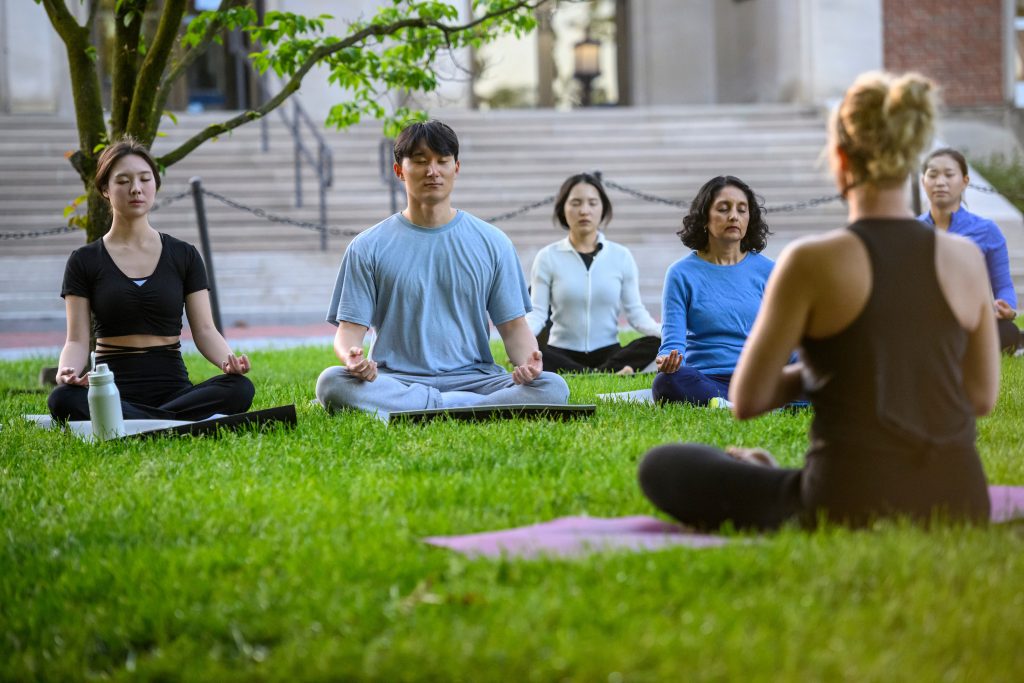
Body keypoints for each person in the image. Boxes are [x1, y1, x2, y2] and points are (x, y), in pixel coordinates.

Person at [638, 71, 999, 529]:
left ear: (840, 158)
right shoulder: (967, 259)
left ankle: (771, 476)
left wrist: (825, 370)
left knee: (662, 466)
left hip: (846, 499)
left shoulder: (811, 260)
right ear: (912, 159)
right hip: (959, 500)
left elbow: (749, 399)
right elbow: (982, 397)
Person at [315, 120, 569, 417]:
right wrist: (352, 358)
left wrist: (530, 365)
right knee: (332, 382)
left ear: (456, 168)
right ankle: (467, 410)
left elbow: (513, 328)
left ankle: (422, 410)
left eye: (442, 161)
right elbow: (349, 332)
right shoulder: (367, 246)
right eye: (420, 161)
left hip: (476, 380)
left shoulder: (493, 242)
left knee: (553, 386)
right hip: (398, 380)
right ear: (399, 171)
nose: (432, 171)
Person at [48, 137, 254, 422]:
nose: (136, 188)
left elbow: (205, 329)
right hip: (111, 388)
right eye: (123, 181)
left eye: (145, 179)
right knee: (62, 398)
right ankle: (169, 421)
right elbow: (77, 340)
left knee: (240, 389)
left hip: (175, 389)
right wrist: (66, 371)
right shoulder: (84, 260)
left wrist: (227, 361)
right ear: (105, 190)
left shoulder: (185, 255)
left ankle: (135, 420)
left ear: (155, 185)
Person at [651, 175, 775, 405]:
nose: (734, 216)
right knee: (666, 382)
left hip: (759, 377)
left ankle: (734, 403)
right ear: (704, 218)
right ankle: (732, 403)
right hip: (707, 379)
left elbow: (785, 335)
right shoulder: (680, 273)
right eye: (723, 209)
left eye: (742, 209)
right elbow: (673, 342)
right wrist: (668, 360)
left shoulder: (769, 271)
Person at [526, 173, 661, 375]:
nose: (584, 211)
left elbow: (637, 314)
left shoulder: (621, 256)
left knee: (656, 343)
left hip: (609, 352)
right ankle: (608, 373)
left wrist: (667, 335)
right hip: (560, 352)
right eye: (576, 203)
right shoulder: (547, 257)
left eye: (592, 203)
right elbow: (537, 313)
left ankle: (594, 371)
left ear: (603, 208)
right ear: (563, 208)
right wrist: (522, 340)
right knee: (532, 351)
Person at [919, 147, 1021, 353]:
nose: (940, 182)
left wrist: (1006, 308)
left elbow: (1004, 286)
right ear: (923, 181)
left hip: (971, 321)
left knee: (1008, 332)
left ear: (965, 181)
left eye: (949, 175)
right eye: (933, 174)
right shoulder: (911, 230)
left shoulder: (987, 230)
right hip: (925, 322)